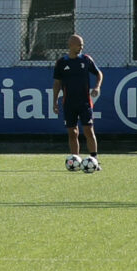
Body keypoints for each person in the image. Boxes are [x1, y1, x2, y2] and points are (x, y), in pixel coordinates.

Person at [54, 32, 102, 174]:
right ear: (71, 45)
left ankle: (94, 159)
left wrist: (97, 86)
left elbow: (99, 73)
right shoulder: (62, 62)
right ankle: (76, 159)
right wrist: (54, 101)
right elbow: (57, 83)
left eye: (82, 44)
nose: (82, 47)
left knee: (88, 129)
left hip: (84, 102)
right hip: (68, 103)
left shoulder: (86, 60)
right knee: (72, 132)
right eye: (79, 45)